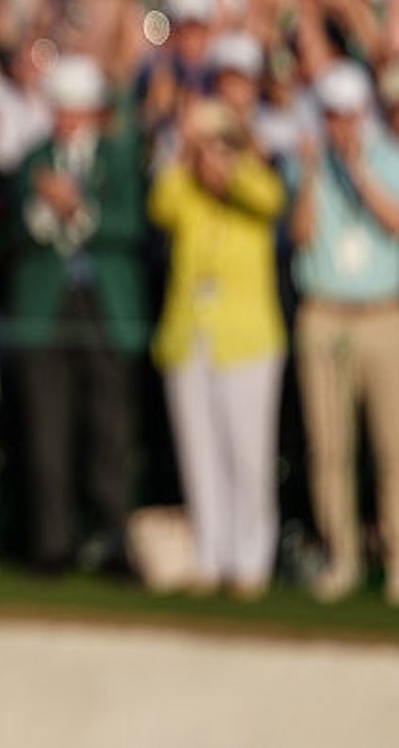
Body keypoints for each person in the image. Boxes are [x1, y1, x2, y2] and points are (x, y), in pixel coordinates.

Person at [2, 55, 150, 576]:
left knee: (111, 431)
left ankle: (113, 541)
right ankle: (52, 544)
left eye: (77, 109)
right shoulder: (32, 159)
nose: (68, 119)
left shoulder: (118, 158)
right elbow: (10, 235)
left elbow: (130, 226)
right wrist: (45, 210)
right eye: (61, 108)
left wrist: (75, 207)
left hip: (105, 307)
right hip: (47, 308)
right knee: (48, 431)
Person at [287, 61, 399, 605]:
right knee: (329, 447)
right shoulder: (306, 163)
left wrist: (356, 169)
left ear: (364, 113)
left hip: (383, 315)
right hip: (324, 313)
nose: (339, 124)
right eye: (331, 115)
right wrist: (311, 174)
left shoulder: (392, 158)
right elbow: (301, 235)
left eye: (347, 114)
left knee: (395, 445)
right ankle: (341, 555)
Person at [150, 98, 287, 599]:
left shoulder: (253, 180)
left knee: (248, 453)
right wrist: (185, 155)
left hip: (246, 341)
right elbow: (161, 205)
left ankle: (252, 558)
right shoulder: (184, 188)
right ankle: (210, 554)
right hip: (190, 338)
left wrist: (233, 162)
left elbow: (268, 200)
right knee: (200, 453)